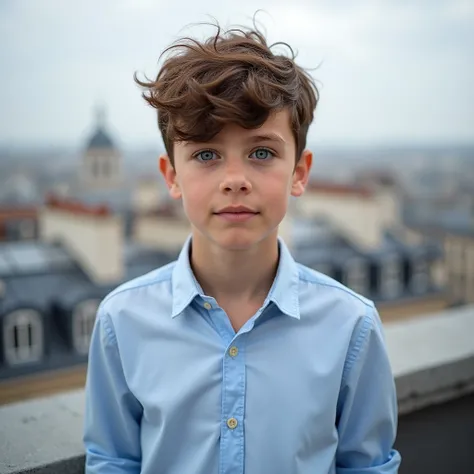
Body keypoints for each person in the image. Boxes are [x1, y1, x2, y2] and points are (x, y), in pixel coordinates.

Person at [83, 20, 401, 474]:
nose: (235, 179)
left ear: (300, 172)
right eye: (206, 154)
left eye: (262, 153)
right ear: (171, 174)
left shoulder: (351, 326)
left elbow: (367, 466)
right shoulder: (121, 321)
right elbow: (113, 461)